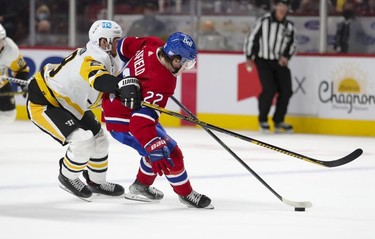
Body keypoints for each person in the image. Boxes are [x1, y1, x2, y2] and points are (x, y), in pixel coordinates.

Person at [101, 32, 213, 209]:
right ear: (175, 59)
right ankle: (185, 193)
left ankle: (140, 186)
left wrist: (130, 76)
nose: (185, 67)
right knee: (169, 154)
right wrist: (152, 144)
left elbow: (122, 47)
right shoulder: (163, 82)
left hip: (118, 106)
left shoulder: (152, 43)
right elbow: (140, 122)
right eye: (184, 62)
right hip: (124, 121)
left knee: (159, 149)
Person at [26, 20, 127, 201]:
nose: (120, 44)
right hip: (47, 102)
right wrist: (122, 87)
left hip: (70, 103)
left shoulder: (108, 58)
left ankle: (96, 182)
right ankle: (68, 176)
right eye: (117, 40)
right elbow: (99, 80)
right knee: (82, 141)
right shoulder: (90, 58)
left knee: (101, 139)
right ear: (104, 42)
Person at [244, 0, 296, 133]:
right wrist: (249, 57)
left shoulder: (289, 26)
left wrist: (286, 57)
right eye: (280, 5)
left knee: (287, 90)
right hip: (263, 60)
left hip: (279, 61)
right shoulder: (264, 21)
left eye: (285, 6)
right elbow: (251, 38)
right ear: (276, 6)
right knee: (269, 89)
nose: (282, 8)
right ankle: (263, 120)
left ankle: (278, 121)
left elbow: (292, 44)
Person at [0, 23, 29, 123]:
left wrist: (23, 84)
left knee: (9, 115)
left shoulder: (11, 49)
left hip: (2, 85)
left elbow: (20, 69)